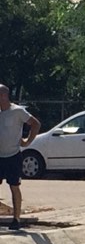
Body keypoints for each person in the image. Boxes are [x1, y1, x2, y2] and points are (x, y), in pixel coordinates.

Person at [0, 84, 41, 230]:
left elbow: (35, 124)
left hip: (13, 155)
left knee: (14, 186)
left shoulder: (17, 111)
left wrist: (27, 141)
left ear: (4, 95)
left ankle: (16, 219)